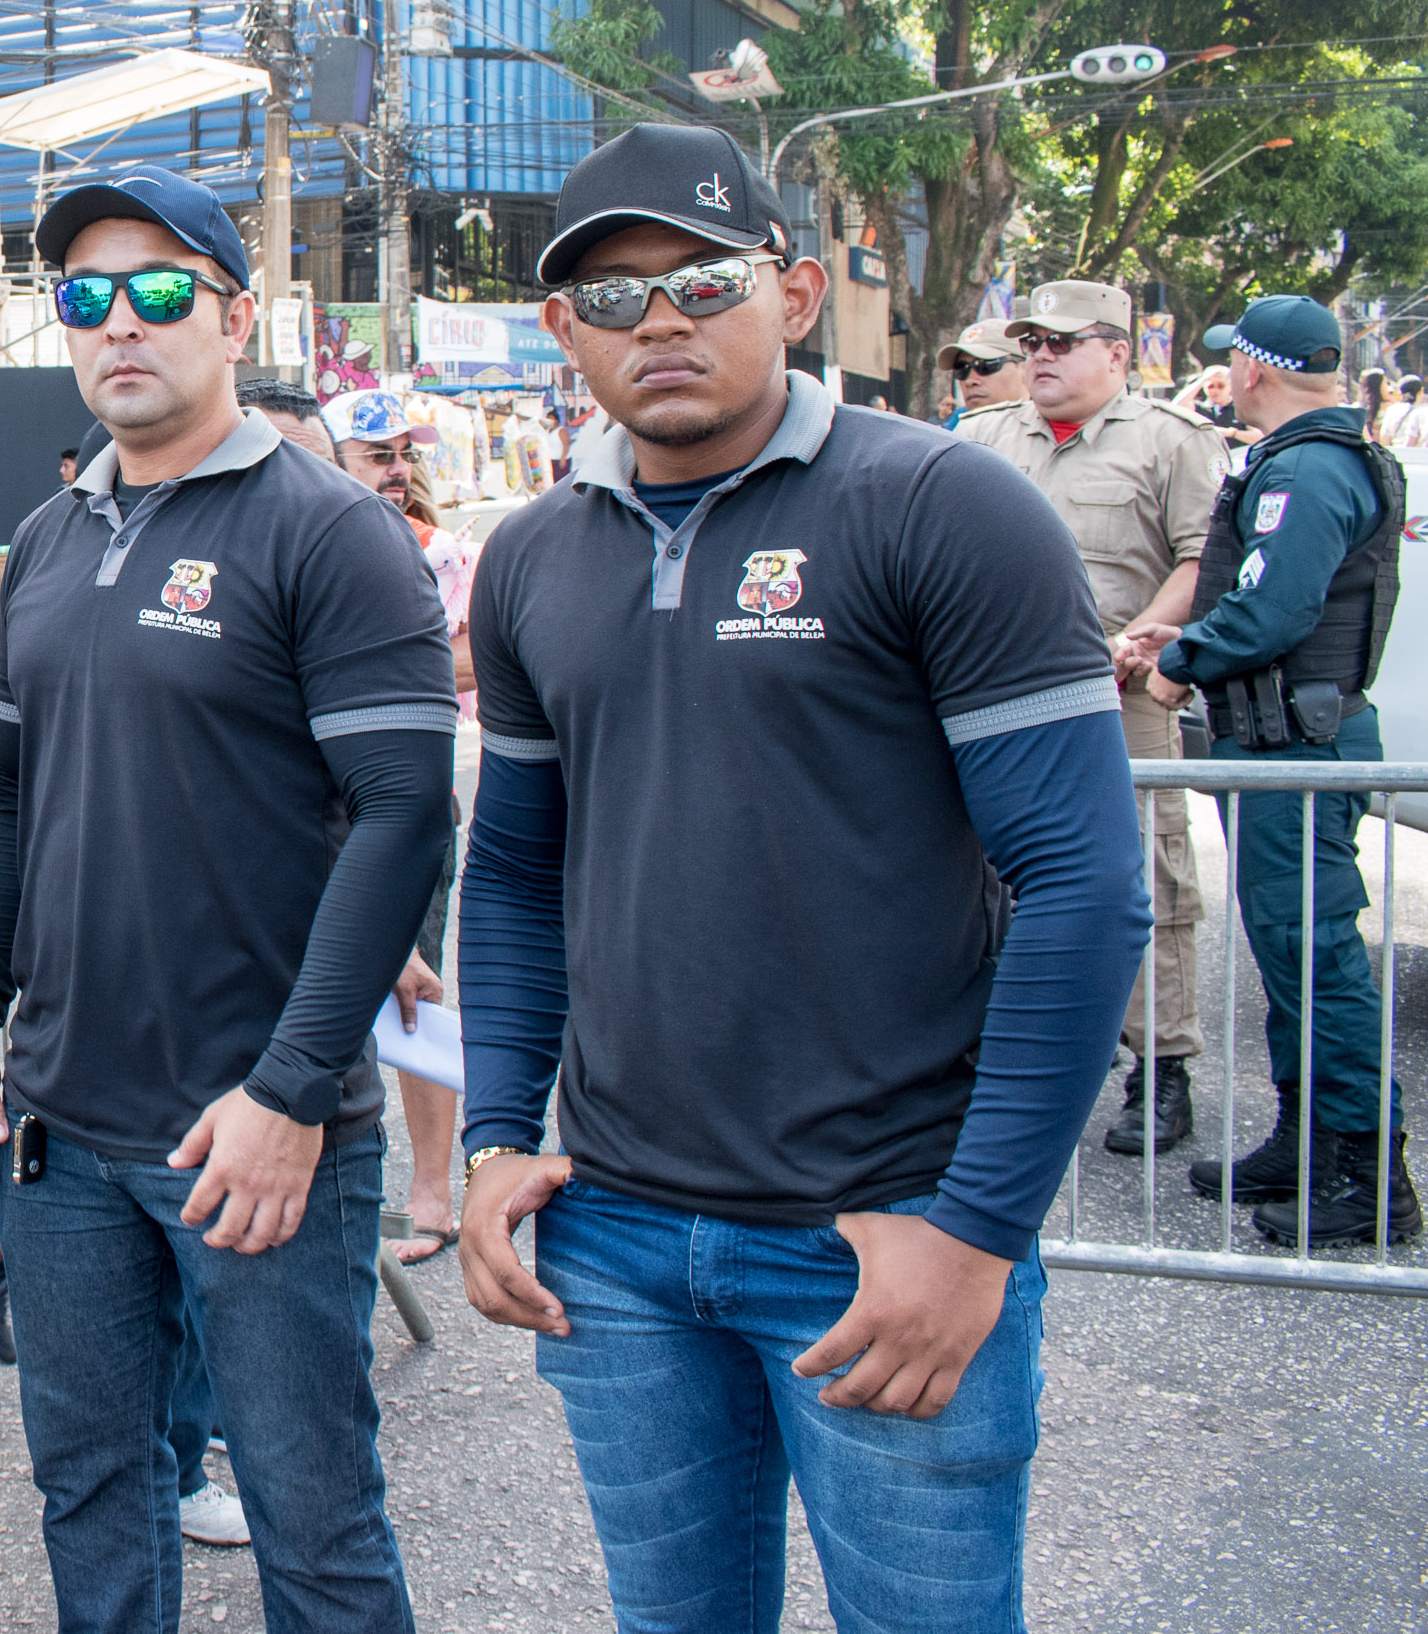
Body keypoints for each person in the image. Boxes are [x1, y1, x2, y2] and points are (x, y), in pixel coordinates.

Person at [455, 122, 1150, 1633]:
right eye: (615, 297)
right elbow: (513, 873)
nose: (665, 323)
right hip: (618, 1242)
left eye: (704, 279)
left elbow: (1087, 887)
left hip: (882, 1233)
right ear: (562, 329)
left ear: (796, 289)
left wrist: (976, 1235)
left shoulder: (941, 507)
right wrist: (495, 1138)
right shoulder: (527, 558)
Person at [0, 165, 450, 1631]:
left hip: (256, 1130)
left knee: (311, 1516)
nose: (120, 324)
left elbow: (408, 816)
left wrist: (292, 1091)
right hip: (63, 1125)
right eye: (86, 297)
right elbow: (6, 799)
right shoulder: (56, 534)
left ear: (233, 314)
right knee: (91, 1487)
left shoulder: (328, 531)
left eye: (161, 290)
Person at [1123, 296, 1418, 1247]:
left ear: (1252, 369)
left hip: (1297, 748)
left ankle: (1370, 1174)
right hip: (1281, 742)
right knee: (1293, 960)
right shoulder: (1319, 458)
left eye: (1229, 364)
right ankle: (1307, 1139)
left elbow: (1275, 613)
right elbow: (1260, 602)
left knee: (1321, 961)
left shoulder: (1310, 466)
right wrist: (1192, 632)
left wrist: (1177, 664)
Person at [961, 281, 1221, 1156]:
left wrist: (1148, 633)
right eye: (1032, 340)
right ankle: (994, 1055)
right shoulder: (984, 438)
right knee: (981, 874)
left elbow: (1202, 558)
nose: (1041, 355)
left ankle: (1163, 1063)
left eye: (1064, 342)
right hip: (993, 698)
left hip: (1118, 693)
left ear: (1118, 352)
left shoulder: (1170, 441)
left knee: (1146, 878)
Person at [327, 392, 468, 1264]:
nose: (396, 468)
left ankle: (429, 1192)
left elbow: (474, 651)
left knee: (413, 997)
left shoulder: (439, 548)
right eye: (374, 452)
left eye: (402, 453)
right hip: (309, 812)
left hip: (404, 804)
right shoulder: (302, 532)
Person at [940, 319, 1027, 426]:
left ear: (1025, 369)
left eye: (986, 365)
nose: (969, 381)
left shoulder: (1050, 430)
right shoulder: (955, 429)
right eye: (961, 369)